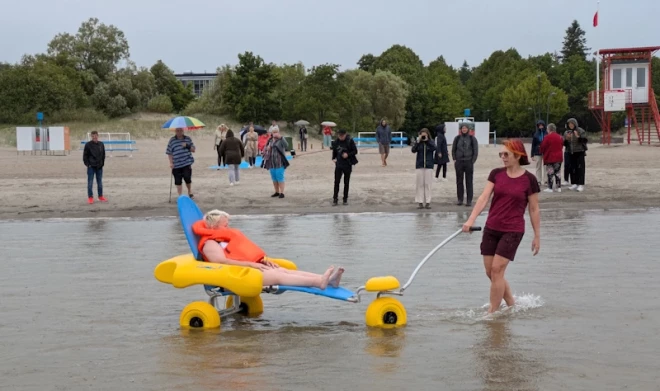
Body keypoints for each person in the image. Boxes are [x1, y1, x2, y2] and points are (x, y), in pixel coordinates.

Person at [462, 139, 540, 314]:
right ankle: (512, 303)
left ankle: (492, 313)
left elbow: (534, 209)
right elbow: (483, 197)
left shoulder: (529, 179)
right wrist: (471, 220)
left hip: (513, 230)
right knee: (491, 272)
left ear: (518, 156)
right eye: (501, 154)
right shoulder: (496, 174)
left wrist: (537, 236)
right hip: (491, 228)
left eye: (506, 154)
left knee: (497, 270)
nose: (503, 157)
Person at [193, 209, 345, 289]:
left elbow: (240, 254)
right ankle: (319, 283)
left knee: (282, 270)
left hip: (245, 271)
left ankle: (326, 280)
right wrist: (252, 265)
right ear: (213, 226)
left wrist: (261, 260)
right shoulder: (210, 243)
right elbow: (222, 262)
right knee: (278, 277)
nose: (228, 228)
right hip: (234, 276)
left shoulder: (223, 239)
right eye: (225, 225)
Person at [451, 122, 479, 206]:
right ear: (461, 129)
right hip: (459, 161)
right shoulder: (457, 138)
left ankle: (469, 200)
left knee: (469, 181)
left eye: (465, 128)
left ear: (468, 129)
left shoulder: (472, 138)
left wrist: (473, 160)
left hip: (468, 161)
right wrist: (454, 158)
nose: (464, 129)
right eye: (463, 128)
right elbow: (453, 149)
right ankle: (460, 199)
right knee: (459, 181)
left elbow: (475, 150)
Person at [166, 127, 196, 199]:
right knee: (178, 180)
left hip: (186, 162)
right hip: (176, 164)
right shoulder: (172, 140)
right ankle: (180, 196)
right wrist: (171, 163)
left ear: (183, 131)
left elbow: (193, 150)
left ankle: (189, 191)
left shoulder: (187, 139)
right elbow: (169, 152)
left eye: (180, 131)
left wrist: (187, 146)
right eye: (177, 131)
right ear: (175, 131)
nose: (179, 132)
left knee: (187, 177)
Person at [331, 129, 358, 206]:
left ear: (345, 134)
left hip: (347, 164)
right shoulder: (336, 142)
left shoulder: (350, 141)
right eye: (339, 135)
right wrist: (333, 158)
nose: (341, 137)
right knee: (336, 182)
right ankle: (335, 199)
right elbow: (334, 152)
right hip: (339, 164)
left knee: (346, 182)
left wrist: (348, 155)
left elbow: (355, 151)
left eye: (342, 135)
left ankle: (345, 199)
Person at [412, 128, 437, 209]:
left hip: (429, 165)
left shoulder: (431, 141)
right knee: (419, 184)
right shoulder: (418, 142)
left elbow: (434, 148)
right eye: (422, 134)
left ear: (427, 134)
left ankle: (428, 201)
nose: (423, 136)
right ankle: (420, 201)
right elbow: (413, 150)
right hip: (420, 165)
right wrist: (418, 141)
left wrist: (427, 141)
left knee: (428, 184)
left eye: (425, 134)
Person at [263, 128, 289, 198]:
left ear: (278, 132)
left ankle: (282, 192)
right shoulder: (270, 140)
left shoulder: (281, 140)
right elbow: (264, 149)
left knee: (280, 177)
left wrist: (281, 137)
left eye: (276, 132)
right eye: (273, 132)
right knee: (274, 178)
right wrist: (267, 148)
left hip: (280, 162)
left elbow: (286, 146)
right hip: (272, 163)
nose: (275, 133)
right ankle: (276, 191)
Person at [83, 130, 107, 204]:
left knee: (99, 182)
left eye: (95, 136)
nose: (94, 137)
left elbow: (103, 155)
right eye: (93, 136)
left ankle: (100, 196)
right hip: (91, 166)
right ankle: (90, 197)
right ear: (91, 136)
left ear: (97, 136)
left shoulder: (101, 144)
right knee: (90, 182)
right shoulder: (88, 145)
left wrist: (102, 163)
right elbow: (85, 156)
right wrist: (88, 164)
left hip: (99, 166)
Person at [564, 118, 587, 192]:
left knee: (580, 168)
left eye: (572, 123)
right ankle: (574, 183)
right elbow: (564, 144)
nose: (570, 125)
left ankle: (580, 184)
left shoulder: (580, 130)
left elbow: (585, 140)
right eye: (569, 124)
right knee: (572, 169)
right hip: (570, 152)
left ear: (575, 124)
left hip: (579, 152)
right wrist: (567, 139)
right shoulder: (567, 132)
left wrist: (578, 137)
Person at [539, 123, 564, 193]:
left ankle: (550, 187)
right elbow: (561, 145)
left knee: (550, 172)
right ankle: (558, 187)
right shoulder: (560, 137)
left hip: (550, 157)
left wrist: (541, 150)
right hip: (558, 157)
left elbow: (543, 146)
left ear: (549, 129)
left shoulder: (547, 137)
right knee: (558, 172)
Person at [530, 120, 548, 186]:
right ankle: (538, 180)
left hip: (546, 151)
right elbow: (533, 145)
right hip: (537, 152)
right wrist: (532, 154)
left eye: (542, 125)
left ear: (544, 125)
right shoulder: (536, 134)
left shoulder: (547, 133)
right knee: (538, 166)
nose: (540, 126)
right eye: (539, 125)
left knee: (546, 166)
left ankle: (546, 180)